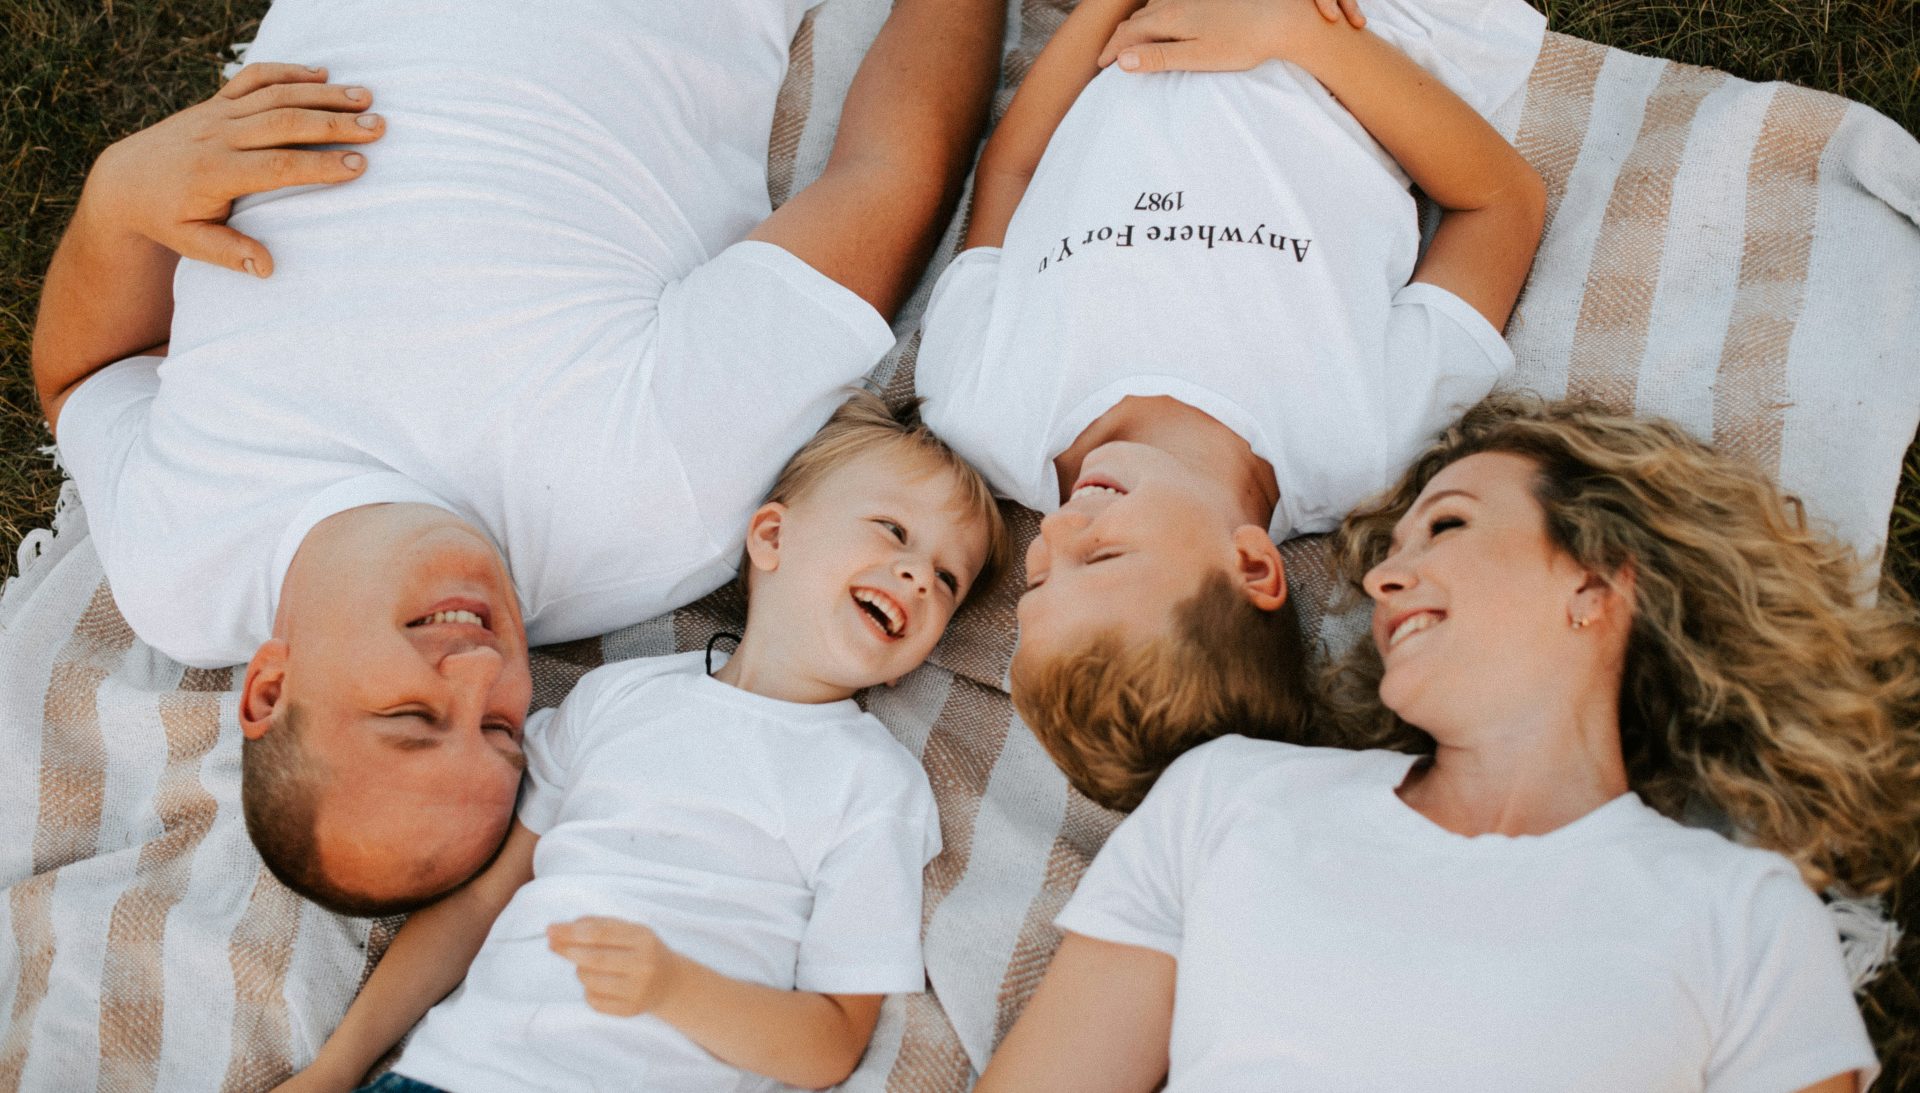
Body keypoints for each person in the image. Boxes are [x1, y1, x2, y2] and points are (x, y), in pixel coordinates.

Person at [30, 0, 1004, 915]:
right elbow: (889, 175)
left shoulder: (178, 567)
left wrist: (117, 200)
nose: (479, 673)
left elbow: (83, 377)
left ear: (269, 687)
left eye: (412, 715)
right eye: (500, 730)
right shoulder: (652, 506)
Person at [975, 394, 1920, 1091]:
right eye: (1394, 553)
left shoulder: (1741, 914)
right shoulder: (1226, 795)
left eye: (1450, 525)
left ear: (1595, 584)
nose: (1387, 579)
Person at [911, 0, 1548, 811]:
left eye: (1037, 582)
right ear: (1251, 566)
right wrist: (1292, 33)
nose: (1058, 532)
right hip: (1367, 29)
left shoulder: (983, 408)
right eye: (1103, 559)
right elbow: (1501, 202)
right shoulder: (1361, 437)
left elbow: (1011, 171)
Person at [276, 392, 1008, 1092]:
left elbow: (831, 1041)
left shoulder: (873, 784)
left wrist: (673, 986)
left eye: (949, 577)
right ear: (773, 537)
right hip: (451, 1072)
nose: (919, 577)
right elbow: (476, 907)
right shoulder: (619, 696)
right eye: (893, 530)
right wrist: (335, 1068)